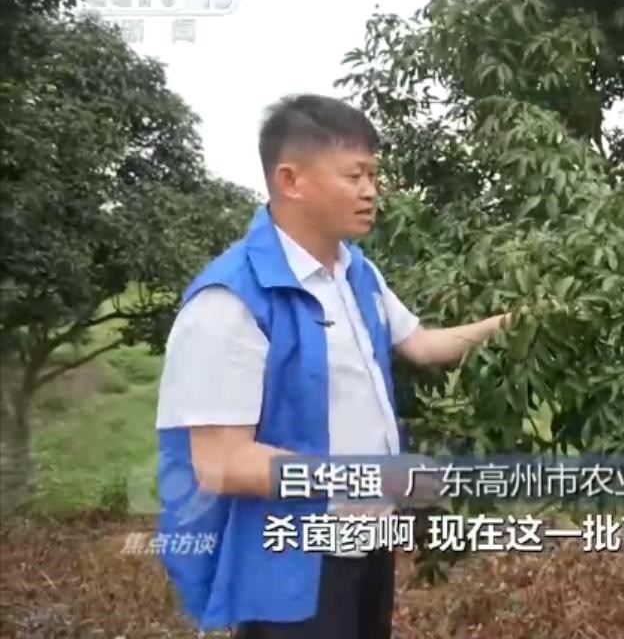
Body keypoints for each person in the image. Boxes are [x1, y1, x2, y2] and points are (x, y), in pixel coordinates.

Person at [154, 94, 508, 638]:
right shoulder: (231, 300)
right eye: (354, 175)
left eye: (373, 175)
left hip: (367, 541)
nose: (371, 191)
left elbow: (421, 345)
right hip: (293, 556)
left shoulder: (354, 272)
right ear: (291, 180)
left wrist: (511, 324)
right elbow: (222, 462)